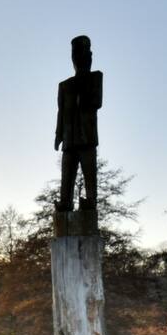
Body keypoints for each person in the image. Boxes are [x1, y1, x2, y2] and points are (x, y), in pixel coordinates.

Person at [54, 35, 102, 211]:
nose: (79, 57)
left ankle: (91, 201)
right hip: (69, 138)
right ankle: (65, 202)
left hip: (87, 136)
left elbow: (96, 102)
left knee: (89, 172)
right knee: (66, 174)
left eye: (83, 52)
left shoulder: (95, 78)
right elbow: (60, 111)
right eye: (75, 53)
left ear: (90, 56)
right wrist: (58, 135)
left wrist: (82, 95)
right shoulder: (65, 85)